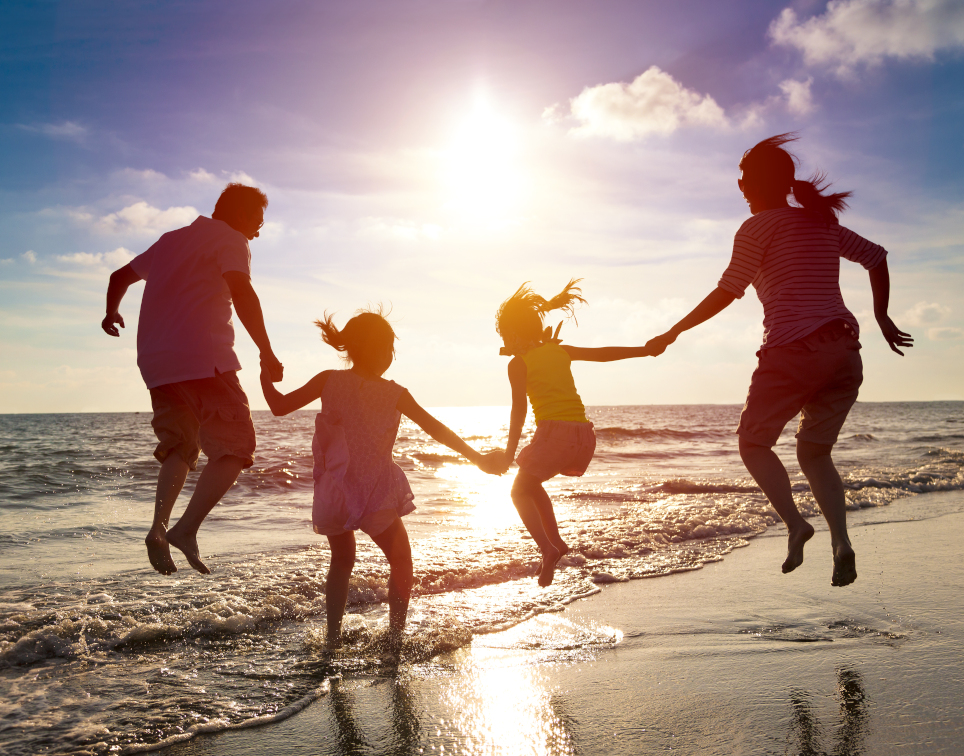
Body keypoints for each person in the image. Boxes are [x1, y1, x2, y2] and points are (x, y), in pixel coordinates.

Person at [645, 133, 913, 587]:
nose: (740, 185)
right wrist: (882, 317)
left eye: (745, 178)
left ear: (762, 184)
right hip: (846, 353)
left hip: (793, 350)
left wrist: (674, 330)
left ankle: (796, 524)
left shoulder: (757, 228)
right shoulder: (819, 223)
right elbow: (876, 257)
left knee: (753, 443)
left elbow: (728, 290)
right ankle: (840, 542)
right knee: (814, 451)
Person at [260, 307, 504, 655]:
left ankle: (332, 640)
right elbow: (435, 429)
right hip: (374, 490)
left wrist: (263, 375)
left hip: (335, 490)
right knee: (401, 557)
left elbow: (279, 406)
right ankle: (394, 637)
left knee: (342, 560)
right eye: (389, 347)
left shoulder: (328, 379)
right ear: (377, 350)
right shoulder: (395, 393)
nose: (390, 355)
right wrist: (477, 458)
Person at [102, 183, 284, 576]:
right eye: (256, 221)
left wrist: (110, 313)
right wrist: (266, 351)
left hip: (157, 365)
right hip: (206, 360)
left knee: (180, 447)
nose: (257, 231)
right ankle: (185, 530)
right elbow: (242, 290)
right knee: (237, 447)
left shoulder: (171, 240)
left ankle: (158, 527)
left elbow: (120, 276)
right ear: (237, 214)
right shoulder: (231, 238)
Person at [493, 280, 656, 587]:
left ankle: (548, 548)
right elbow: (603, 354)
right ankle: (556, 544)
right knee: (531, 484)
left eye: (504, 335)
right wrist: (644, 350)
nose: (504, 342)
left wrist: (508, 453)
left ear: (514, 335)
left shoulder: (518, 364)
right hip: (584, 437)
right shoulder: (559, 350)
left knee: (517, 492)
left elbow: (519, 411)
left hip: (555, 434)